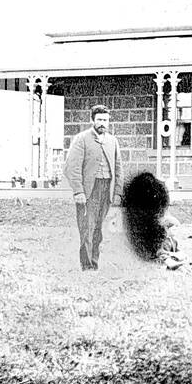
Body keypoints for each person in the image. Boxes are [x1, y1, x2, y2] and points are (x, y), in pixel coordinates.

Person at [65, 105, 123, 270]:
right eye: (99, 120)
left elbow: (119, 168)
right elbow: (72, 167)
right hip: (88, 191)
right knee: (87, 228)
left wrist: (117, 193)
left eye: (105, 120)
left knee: (98, 229)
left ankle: (94, 264)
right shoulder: (81, 139)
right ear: (92, 120)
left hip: (107, 190)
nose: (102, 123)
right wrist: (78, 191)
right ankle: (87, 265)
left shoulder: (113, 141)